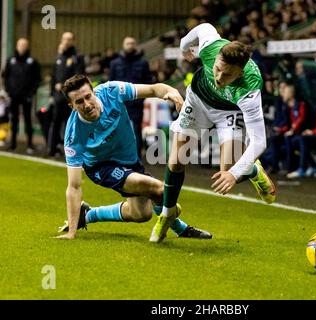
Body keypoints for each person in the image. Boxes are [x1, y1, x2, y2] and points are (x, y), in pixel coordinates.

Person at [150, 23, 276, 243]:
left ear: (241, 71)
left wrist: (234, 174)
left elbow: (259, 141)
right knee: (177, 160)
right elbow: (204, 27)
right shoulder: (211, 47)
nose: (219, 78)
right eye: (217, 69)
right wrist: (184, 46)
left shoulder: (250, 89)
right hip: (197, 101)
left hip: (228, 112)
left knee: (227, 172)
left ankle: (253, 171)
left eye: (227, 75)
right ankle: (167, 213)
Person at [56, 74, 211, 240]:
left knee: (140, 214)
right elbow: (73, 186)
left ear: (94, 92)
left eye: (88, 97)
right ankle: (181, 228)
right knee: (159, 190)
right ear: (71, 106)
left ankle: (88, 215)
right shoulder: (74, 134)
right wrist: (71, 233)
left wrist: (171, 91)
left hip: (130, 161)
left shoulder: (111, 91)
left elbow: (153, 89)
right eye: (79, 102)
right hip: (101, 167)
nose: (86, 105)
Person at [109, 37, 152, 158]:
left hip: (136, 104)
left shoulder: (143, 63)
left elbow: (148, 82)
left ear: (136, 45)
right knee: (117, 129)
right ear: (123, 45)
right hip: (119, 103)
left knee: (136, 130)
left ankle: (136, 157)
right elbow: (110, 84)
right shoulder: (115, 63)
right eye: (128, 43)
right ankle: (118, 155)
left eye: (132, 43)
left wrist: (140, 99)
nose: (130, 45)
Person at [49, 32, 85, 157]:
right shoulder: (59, 57)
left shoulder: (77, 57)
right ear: (61, 39)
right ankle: (52, 149)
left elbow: (79, 75)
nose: (67, 41)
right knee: (55, 122)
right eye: (65, 39)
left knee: (70, 123)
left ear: (73, 41)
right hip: (58, 97)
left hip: (72, 96)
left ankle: (70, 151)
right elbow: (53, 76)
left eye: (69, 39)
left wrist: (64, 85)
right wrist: (51, 93)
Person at [2, 38, 41, 153]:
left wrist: (32, 92)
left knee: (28, 119)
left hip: (27, 96)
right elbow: (5, 76)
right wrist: (8, 91)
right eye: (20, 45)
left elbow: (37, 79)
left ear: (27, 47)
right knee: (13, 119)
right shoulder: (11, 60)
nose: (22, 47)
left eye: (24, 45)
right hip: (13, 95)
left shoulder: (32, 61)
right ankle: (13, 143)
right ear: (17, 46)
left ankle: (30, 144)